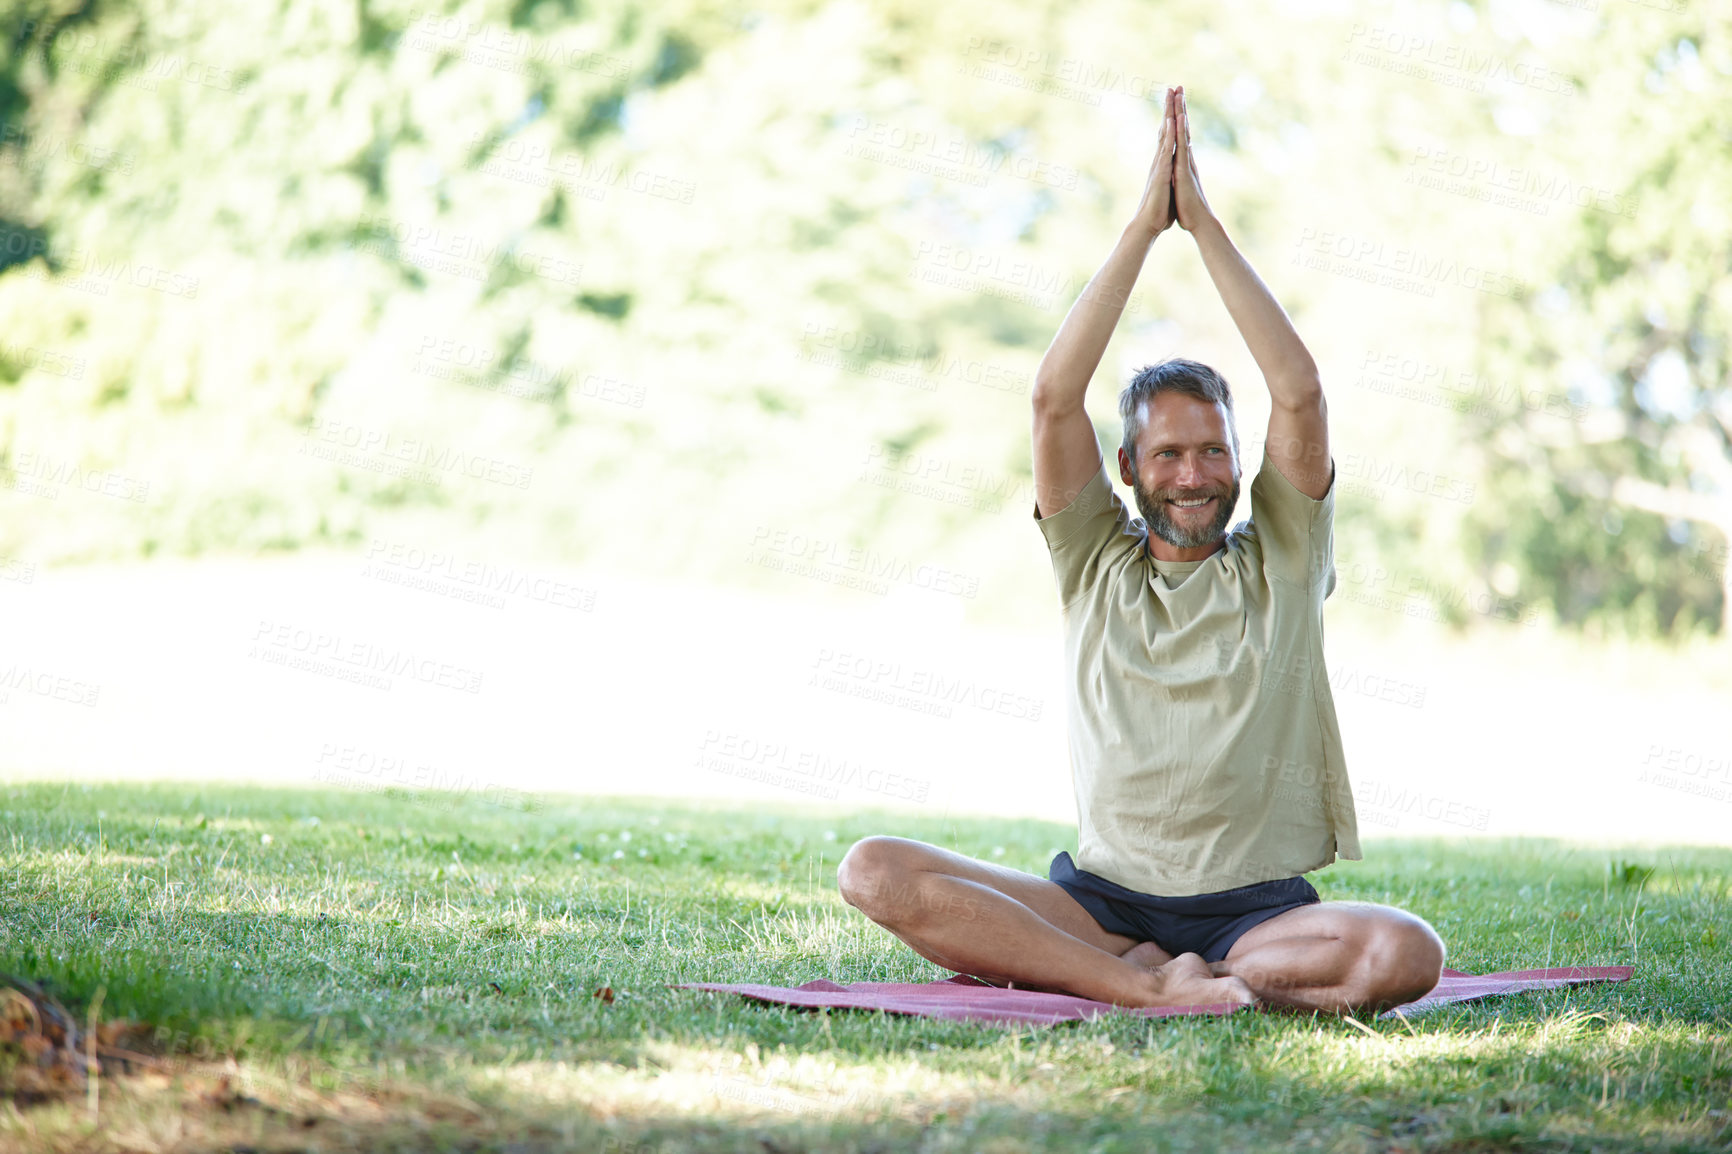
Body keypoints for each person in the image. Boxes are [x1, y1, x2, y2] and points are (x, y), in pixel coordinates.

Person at [838, 86, 1446, 1013]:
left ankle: (1191, 978)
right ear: (1128, 466)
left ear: (1241, 466)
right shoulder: (1093, 562)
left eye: (1213, 451)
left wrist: (1199, 227)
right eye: (1168, 453)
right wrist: (1140, 228)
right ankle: (1146, 986)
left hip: (1258, 916)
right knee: (873, 870)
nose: (1193, 474)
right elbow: (1052, 396)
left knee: (1406, 953)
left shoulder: (1282, 558)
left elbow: (1301, 393)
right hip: (1102, 905)